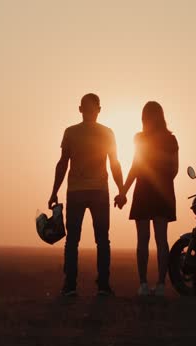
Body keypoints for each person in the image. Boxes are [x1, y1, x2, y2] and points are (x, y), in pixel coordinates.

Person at [48, 93, 124, 296]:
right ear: (98, 109)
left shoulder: (71, 132)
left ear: (80, 109)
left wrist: (54, 191)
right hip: (99, 191)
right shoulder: (107, 133)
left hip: (76, 192)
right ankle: (103, 286)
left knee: (73, 240)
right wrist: (121, 190)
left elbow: (63, 163)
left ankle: (70, 285)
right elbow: (114, 163)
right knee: (102, 239)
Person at [115, 101, 179, 296]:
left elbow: (135, 167)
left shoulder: (140, 138)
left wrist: (124, 192)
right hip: (162, 192)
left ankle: (143, 284)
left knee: (143, 240)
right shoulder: (170, 139)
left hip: (143, 191)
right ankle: (160, 285)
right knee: (161, 240)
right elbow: (174, 169)